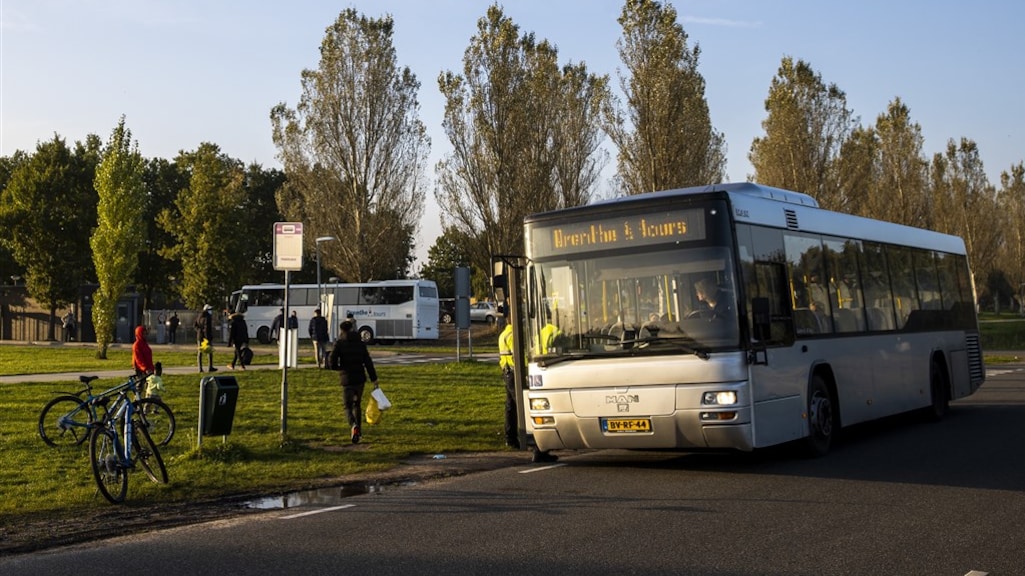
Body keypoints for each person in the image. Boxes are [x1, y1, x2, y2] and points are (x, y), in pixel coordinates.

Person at [501, 316, 558, 462]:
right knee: (524, 407)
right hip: (515, 373)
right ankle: (535, 446)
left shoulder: (503, 334)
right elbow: (519, 354)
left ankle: (510, 438)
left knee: (511, 407)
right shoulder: (513, 335)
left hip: (506, 372)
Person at [329, 320, 378, 444]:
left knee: (347, 406)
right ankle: (359, 432)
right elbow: (368, 362)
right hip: (359, 379)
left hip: (347, 379)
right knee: (357, 404)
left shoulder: (339, 343)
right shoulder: (360, 344)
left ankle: (353, 425)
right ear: (352, 329)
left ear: (342, 330)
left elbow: (332, 361)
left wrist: (338, 368)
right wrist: (374, 378)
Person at [195, 304, 218, 373]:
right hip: (206, 337)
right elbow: (207, 328)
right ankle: (210, 366)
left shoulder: (199, 316)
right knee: (209, 352)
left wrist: (199, 330)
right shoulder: (208, 317)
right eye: (209, 310)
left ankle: (200, 368)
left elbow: (195, 325)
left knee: (200, 352)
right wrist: (208, 337)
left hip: (199, 336)